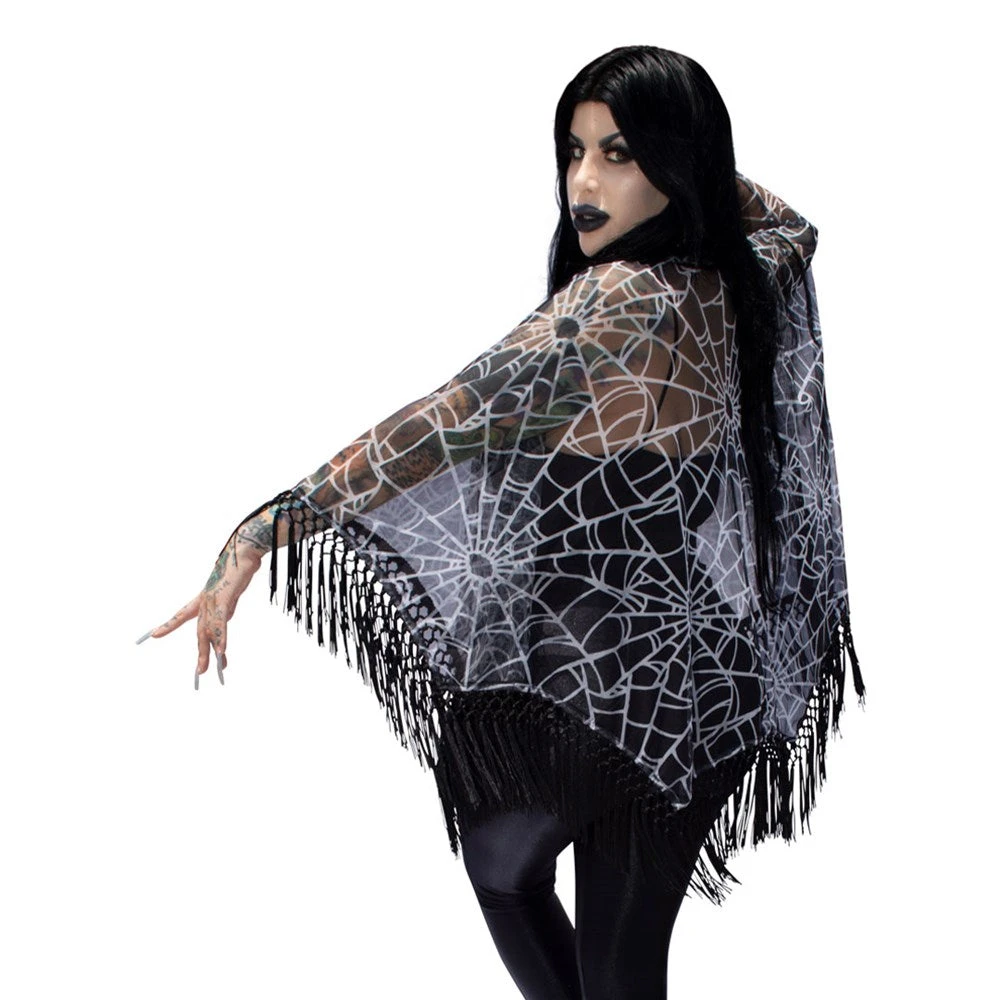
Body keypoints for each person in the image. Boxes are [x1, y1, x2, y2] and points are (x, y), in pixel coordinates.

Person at [138, 45, 866, 999]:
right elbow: (792, 222)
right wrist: (687, 163)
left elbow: (434, 425)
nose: (584, 183)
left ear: (676, 162)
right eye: (575, 151)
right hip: (704, 675)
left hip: (605, 681)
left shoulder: (618, 300)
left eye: (620, 154)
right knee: (602, 952)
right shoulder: (734, 275)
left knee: (523, 889)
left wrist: (260, 533)